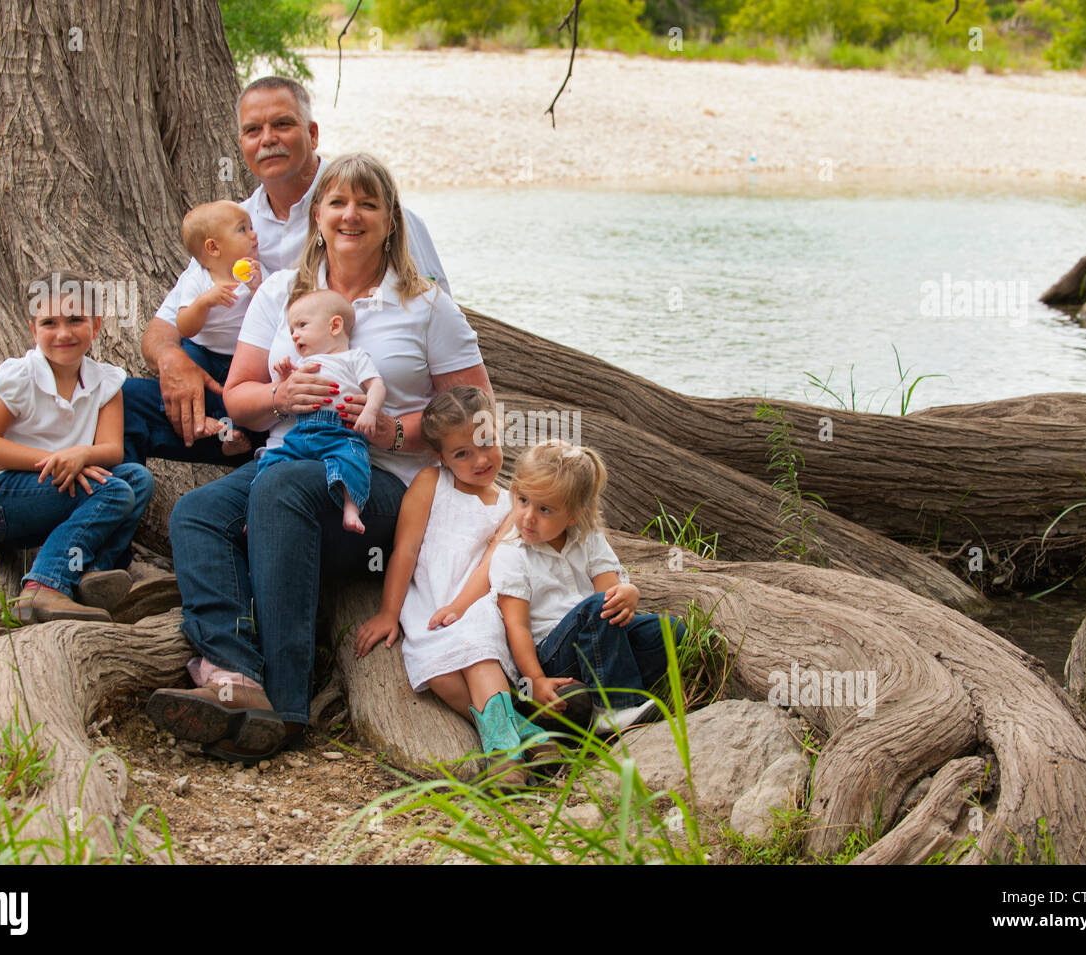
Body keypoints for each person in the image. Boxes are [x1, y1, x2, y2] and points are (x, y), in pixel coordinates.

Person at [147, 153, 491, 763]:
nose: (350, 215)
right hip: (287, 461)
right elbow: (239, 396)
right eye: (336, 203)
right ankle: (233, 673)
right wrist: (278, 396)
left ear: (391, 220)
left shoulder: (426, 303)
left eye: (367, 203)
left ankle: (284, 709)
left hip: (386, 488)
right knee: (199, 513)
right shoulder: (281, 291)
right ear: (317, 216)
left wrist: (390, 429)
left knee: (284, 495)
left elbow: (477, 409)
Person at [123, 76, 448, 466]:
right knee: (121, 404)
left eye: (282, 124)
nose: (267, 139)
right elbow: (162, 328)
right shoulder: (234, 226)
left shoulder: (365, 216)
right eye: (252, 130)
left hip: (333, 398)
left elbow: (438, 318)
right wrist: (173, 361)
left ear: (312, 134)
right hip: (248, 396)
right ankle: (117, 505)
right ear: (241, 145)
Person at [353, 386, 549, 783]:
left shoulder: (512, 503)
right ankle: (528, 734)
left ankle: (504, 757)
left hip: (478, 600)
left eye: (486, 443)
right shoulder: (430, 483)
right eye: (462, 454)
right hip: (429, 601)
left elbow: (493, 565)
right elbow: (405, 549)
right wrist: (390, 612)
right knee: (438, 673)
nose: (480, 460)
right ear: (439, 456)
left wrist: (461, 606)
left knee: (477, 654)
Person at [0, 271, 154, 624]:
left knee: (137, 480)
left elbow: (110, 450)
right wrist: (56, 460)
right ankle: (43, 587)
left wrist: (80, 455)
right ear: (34, 331)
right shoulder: (21, 376)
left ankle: (90, 575)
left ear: (95, 327)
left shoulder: (105, 381)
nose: (63, 333)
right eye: (49, 322)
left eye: (76, 320)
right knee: (113, 493)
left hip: (46, 499)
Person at [490, 441, 687, 732]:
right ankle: (612, 709)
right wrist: (535, 679)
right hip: (554, 655)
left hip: (600, 638)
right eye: (522, 501)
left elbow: (611, 591)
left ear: (573, 515)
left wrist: (630, 594)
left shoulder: (588, 539)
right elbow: (516, 627)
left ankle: (602, 689)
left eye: (544, 509)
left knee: (672, 633)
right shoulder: (513, 554)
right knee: (596, 609)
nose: (528, 517)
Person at [256, 288, 385, 533]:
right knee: (270, 461)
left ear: (334, 326)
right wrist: (285, 378)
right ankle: (256, 511)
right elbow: (292, 395)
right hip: (302, 431)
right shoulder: (306, 363)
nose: (295, 336)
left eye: (302, 325)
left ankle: (351, 507)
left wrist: (370, 410)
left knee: (353, 460)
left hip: (340, 431)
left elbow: (376, 385)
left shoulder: (354, 357)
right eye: (292, 330)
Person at [171, 198, 265, 457]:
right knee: (181, 378)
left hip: (238, 356)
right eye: (242, 229)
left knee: (232, 395)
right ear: (213, 247)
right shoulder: (198, 279)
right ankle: (196, 422)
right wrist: (204, 302)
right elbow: (185, 327)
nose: (254, 234)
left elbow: (269, 315)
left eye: (251, 227)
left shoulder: (256, 273)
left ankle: (229, 437)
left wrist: (257, 288)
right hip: (201, 350)